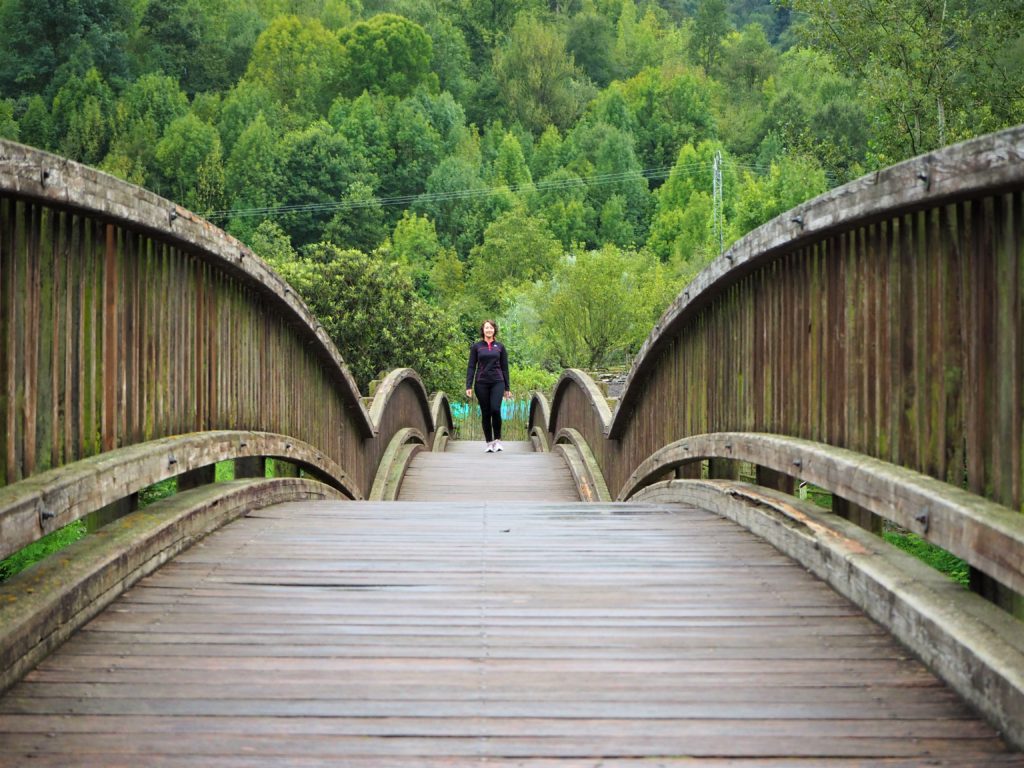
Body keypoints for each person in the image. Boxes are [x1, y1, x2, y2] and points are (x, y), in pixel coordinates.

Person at [465, 319, 511, 453]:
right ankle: (489, 443)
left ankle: (497, 440)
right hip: (481, 383)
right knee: (486, 413)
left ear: (494, 330)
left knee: (495, 409)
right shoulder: (477, 347)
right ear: (483, 330)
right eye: (486, 328)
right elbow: (471, 366)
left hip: (498, 381)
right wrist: (468, 385)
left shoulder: (500, 347)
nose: (489, 330)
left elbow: (505, 368)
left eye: (491, 328)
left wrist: (507, 388)